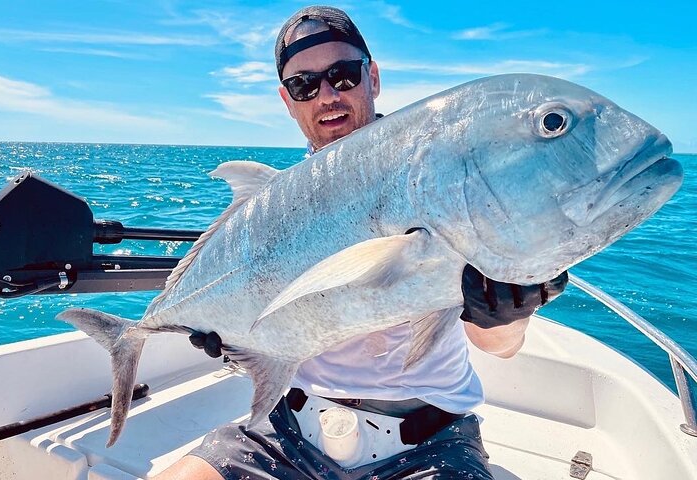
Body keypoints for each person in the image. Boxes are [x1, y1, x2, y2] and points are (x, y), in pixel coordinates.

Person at [156, 6, 568, 480]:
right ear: (287, 101)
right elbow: (266, 321)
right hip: (286, 430)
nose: (327, 95)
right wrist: (235, 340)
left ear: (372, 77)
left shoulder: (433, 175)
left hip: (427, 440)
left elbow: (497, 346)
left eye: (343, 75)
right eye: (304, 86)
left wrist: (508, 313)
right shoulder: (273, 211)